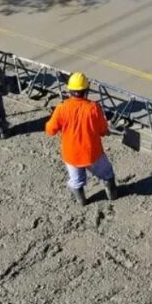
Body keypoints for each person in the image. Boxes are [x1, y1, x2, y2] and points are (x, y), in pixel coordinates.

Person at [45, 72, 119, 206]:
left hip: (71, 155)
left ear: (69, 90)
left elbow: (50, 131)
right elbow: (102, 130)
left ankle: (82, 201)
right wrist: (105, 132)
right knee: (107, 173)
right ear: (86, 90)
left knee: (76, 181)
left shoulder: (61, 108)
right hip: (92, 153)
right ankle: (112, 195)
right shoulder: (93, 108)